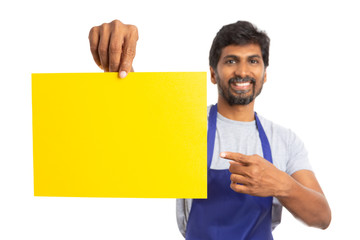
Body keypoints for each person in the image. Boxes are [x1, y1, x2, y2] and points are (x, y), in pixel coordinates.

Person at [88, 19, 331, 239]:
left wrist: (282, 184)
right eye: (231, 60)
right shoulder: (185, 124)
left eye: (253, 61)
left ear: (265, 74)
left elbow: (322, 218)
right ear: (213, 74)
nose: (243, 71)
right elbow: (132, 125)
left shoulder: (284, 140)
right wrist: (118, 67)